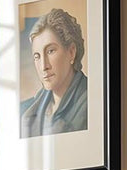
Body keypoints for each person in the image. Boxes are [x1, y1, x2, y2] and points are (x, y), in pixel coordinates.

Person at [20, 8, 88, 137]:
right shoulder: (26, 111)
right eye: (37, 56)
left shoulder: (92, 101)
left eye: (51, 51)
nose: (44, 66)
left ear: (71, 52)